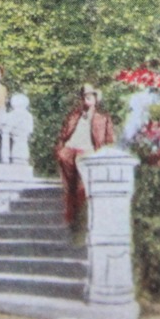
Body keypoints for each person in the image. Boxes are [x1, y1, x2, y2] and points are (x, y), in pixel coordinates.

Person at [55, 84, 116, 227]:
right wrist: (60, 150)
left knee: (82, 187)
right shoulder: (74, 116)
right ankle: (70, 218)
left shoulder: (102, 118)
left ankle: (82, 220)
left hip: (88, 151)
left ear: (95, 99)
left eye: (90, 95)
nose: (87, 98)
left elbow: (109, 139)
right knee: (69, 186)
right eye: (84, 96)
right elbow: (64, 134)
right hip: (70, 150)